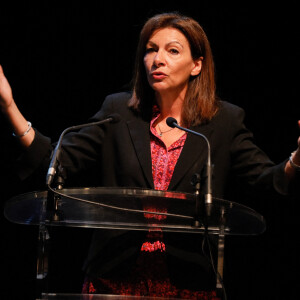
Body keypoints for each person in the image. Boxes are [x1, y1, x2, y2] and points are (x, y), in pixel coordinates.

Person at [0, 12, 300, 300]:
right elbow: (54, 165)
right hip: (113, 278)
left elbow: (266, 182)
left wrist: (297, 159)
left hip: (188, 280)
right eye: (150, 50)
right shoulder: (118, 112)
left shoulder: (225, 121)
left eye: (172, 51)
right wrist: (10, 106)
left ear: (197, 65)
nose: (158, 59)